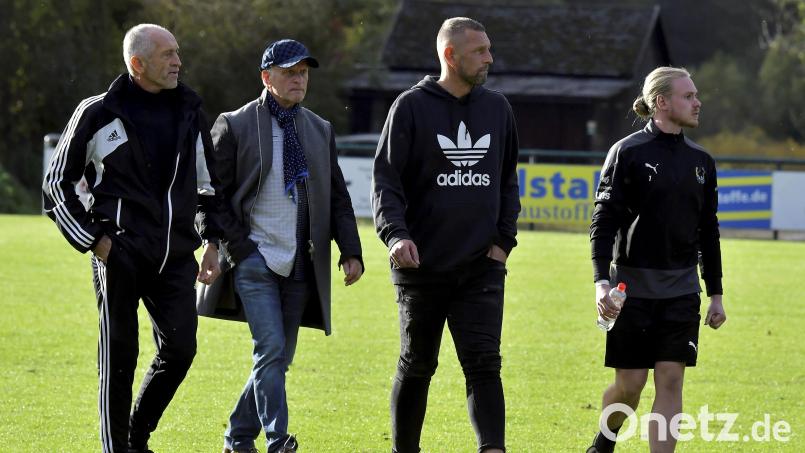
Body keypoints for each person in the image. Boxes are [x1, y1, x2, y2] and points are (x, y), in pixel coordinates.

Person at [42, 23, 224, 453]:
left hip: (175, 259)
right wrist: (96, 242)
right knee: (119, 361)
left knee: (180, 350)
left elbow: (209, 186)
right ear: (137, 63)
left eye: (178, 52)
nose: (178, 61)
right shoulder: (98, 111)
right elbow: (56, 186)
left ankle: (135, 437)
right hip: (117, 257)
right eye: (167, 55)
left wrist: (213, 241)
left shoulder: (190, 111)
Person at [196, 38, 363, 453]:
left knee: (277, 359)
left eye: (303, 72)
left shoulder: (320, 129)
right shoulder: (234, 124)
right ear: (266, 77)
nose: (298, 79)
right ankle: (278, 440)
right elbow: (212, 194)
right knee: (270, 349)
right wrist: (230, 247)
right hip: (253, 257)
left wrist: (351, 250)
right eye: (289, 72)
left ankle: (237, 437)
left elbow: (337, 196)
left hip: (302, 264)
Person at [371, 17, 520, 453]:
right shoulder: (411, 107)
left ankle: (493, 449)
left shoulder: (497, 108)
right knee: (417, 365)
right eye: (480, 51)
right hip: (421, 266)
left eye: (489, 49)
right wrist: (396, 236)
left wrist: (502, 244)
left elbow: (508, 180)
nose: (489, 58)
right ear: (450, 55)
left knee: (484, 365)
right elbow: (386, 182)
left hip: (482, 267)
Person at [587, 66, 727, 453]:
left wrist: (715, 293)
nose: (698, 102)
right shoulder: (627, 152)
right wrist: (602, 283)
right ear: (662, 103)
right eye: (688, 96)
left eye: (696, 95)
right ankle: (604, 442)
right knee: (630, 386)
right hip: (629, 289)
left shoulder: (702, 161)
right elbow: (603, 224)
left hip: (681, 290)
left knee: (670, 380)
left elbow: (708, 232)